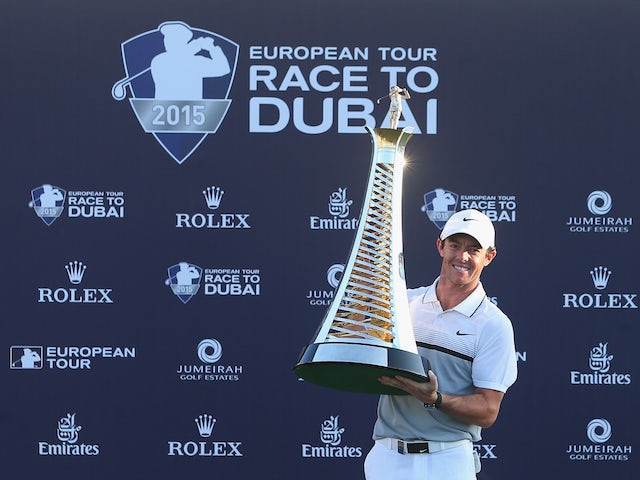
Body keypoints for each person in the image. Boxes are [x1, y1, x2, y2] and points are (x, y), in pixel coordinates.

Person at [364, 208, 517, 480]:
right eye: (455, 245)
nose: (463, 257)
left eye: (474, 249)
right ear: (440, 246)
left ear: (489, 257)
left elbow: (488, 410)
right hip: (386, 457)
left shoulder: (494, 324)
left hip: (447, 461)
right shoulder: (403, 305)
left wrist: (435, 399)